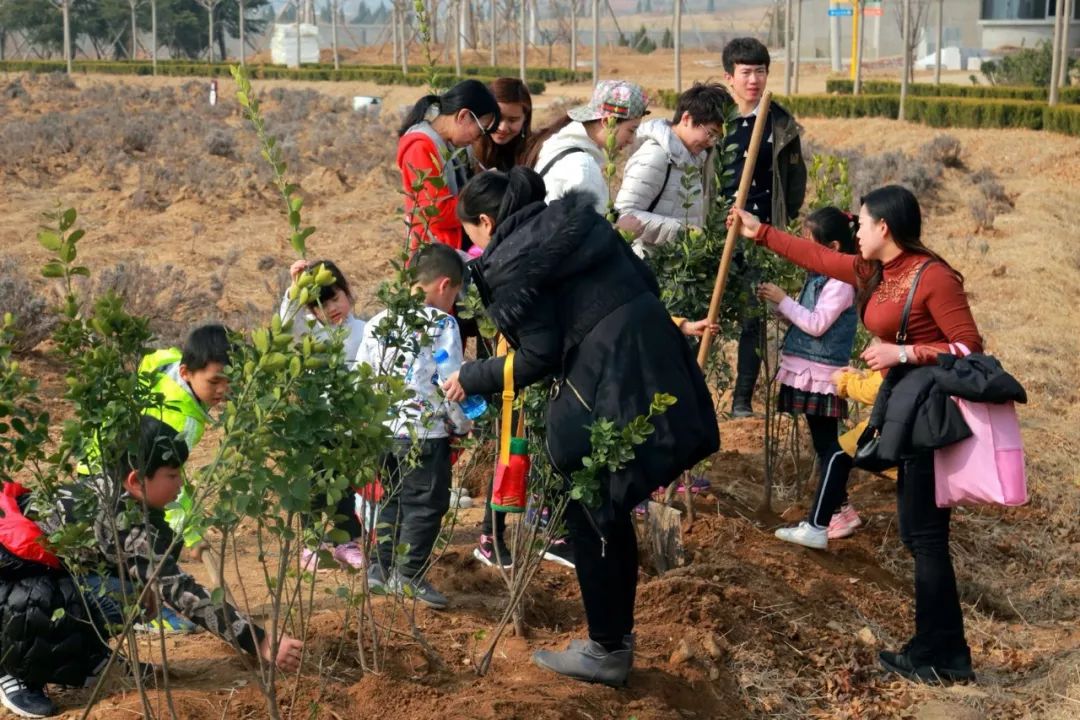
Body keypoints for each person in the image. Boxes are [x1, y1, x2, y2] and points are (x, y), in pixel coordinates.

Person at [443, 167, 719, 687]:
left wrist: (472, 376)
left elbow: (539, 355)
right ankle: (615, 638)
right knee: (608, 506)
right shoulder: (575, 222)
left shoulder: (512, 260)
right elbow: (644, 281)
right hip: (653, 352)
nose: (474, 246)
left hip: (610, 376)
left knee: (589, 503)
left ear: (485, 221)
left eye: (471, 234)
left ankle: (606, 648)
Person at [732, 184, 981, 684]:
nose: (856, 232)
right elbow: (819, 257)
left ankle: (944, 656)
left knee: (928, 538)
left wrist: (903, 354)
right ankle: (935, 648)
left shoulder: (932, 277)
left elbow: (969, 349)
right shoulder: (876, 271)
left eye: (863, 224)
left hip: (930, 413)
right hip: (903, 410)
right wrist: (761, 235)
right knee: (917, 536)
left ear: (884, 227)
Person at [0, 417, 303, 718]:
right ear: (135, 480)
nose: (181, 482)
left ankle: (87, 656)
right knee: (47, 599)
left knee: (125, 593)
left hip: (45, 576)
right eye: (172, 475)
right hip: (12, 583)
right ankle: (13, 670)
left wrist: (148, 586)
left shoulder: (116, 492)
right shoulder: (116, 520)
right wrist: (260, 640)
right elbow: (181, 591)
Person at [80, 323, 231, 634]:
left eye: (229, 381)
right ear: (188, 372)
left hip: (104, 462)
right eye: (215, 381)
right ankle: (156, 610)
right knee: (160, 531)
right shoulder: (180, 419)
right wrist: (190, 532)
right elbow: (167, 482)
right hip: (117, 474)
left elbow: (151, 359)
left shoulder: (170, 362)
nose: (222, 390)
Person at [355, 243, 473, 611]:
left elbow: (363, 376)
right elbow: (448, 379)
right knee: (426, 503)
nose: (453, 302)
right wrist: (463, 423)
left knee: (392, 500)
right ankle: (408, 575)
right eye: (454, 294)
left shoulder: (377, 322)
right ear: (444, 285)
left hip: (384, 432)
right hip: (424, 433)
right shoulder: (443, 324)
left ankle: (380, 567)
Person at [757, 207, 859, 551]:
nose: (802, 247)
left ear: (831, 245)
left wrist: (783, 300)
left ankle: (836, 514)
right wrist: (781, 309)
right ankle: (841, 508)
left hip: (821, 375)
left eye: (808, 242)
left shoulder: (841, 282)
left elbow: (817, 324)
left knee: (829, 446)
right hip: (808, 371)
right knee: (822, 443)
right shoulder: (820, 276)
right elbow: (810, 326)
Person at [720, 37, 807, 417]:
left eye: (760, 71)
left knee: (752, 318)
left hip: (759, 236)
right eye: (745, 72)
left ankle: (741, 399)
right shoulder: (718, 117)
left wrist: (775, 225)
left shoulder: (779, 122)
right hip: (715, 233)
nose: (753, 79)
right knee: (700, 310)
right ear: (730, 77)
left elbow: (794, 185)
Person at [469, 77, 533, 568]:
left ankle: (509, 528)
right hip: (515, 369)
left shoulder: (516, 257)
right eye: (500, 119)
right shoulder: (505, 262)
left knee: (518, 441)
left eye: (516, 118)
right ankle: (493, 533)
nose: (507, 128)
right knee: (510, 441)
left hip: (522, 366)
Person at [278, 259, 369, 571]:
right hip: (314, 424)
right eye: (319, 305)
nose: (330, 308)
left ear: (347, 293)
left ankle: (345, 543)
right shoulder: (312, 333)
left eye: (334, 298)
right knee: (313, 486)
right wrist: (295, 289)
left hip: (349, 426)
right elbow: (287, 325)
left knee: (344, 486)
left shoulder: (365, 332)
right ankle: (312, 543)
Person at [614, 82, 731, 256]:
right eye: (710, 133)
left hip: (672, 265)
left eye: (717, 137)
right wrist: (682, 231)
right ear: (686, 119)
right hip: (646, 263)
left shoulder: (690, 158)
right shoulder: (655, 156)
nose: (711, 142)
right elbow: (624, 216)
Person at [397, 79, 500, 251]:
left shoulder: (450, 147)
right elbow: (436, 213)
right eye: (480, 130)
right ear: (463, 116)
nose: (478, 138)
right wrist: (482, 199)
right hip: (434, 253)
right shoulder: (420, 147)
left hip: (452, 245)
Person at [524, 80, 648, 217]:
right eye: (631, 130)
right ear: (607, 122)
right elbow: (587, 234)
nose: (632, 140)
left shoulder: (559, 143)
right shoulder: (583, 168)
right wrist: (622, 229)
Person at [472, 77, 533, 173]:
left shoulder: (535, 153)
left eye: (513, 120)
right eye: (497, 118)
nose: (502, 128)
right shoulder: (466, 152)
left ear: (525, 119)